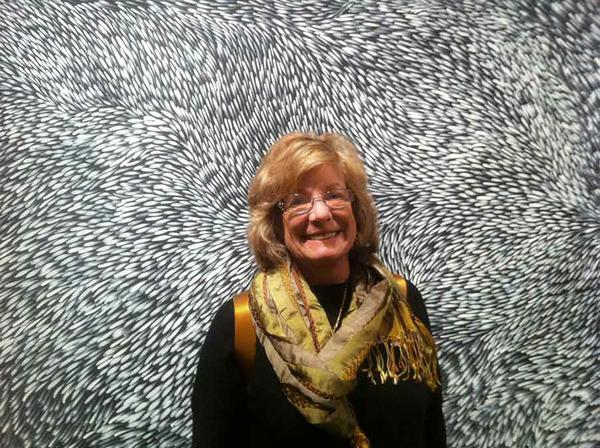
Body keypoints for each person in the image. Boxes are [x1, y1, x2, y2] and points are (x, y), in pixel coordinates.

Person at [191, 132, 446, 448]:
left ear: (355, 207)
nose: (321, 214)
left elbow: (432, 431)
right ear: (275, 222)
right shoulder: (241, 324)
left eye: (334, 195)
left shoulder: (403, 302)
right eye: (298, 202)